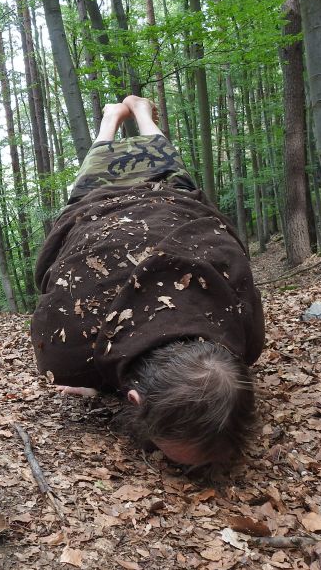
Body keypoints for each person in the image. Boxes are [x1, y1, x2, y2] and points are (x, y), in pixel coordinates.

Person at [31, 96, 265, 468]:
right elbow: (50, 293)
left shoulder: (245, 335)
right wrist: (99, 378)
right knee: (84, 188)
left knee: (164, 164)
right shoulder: (68, 354)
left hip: (172, 204)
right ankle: (129, 114)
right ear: (135, 401)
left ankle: (124, 118)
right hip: (103, 208)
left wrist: (100, 382)